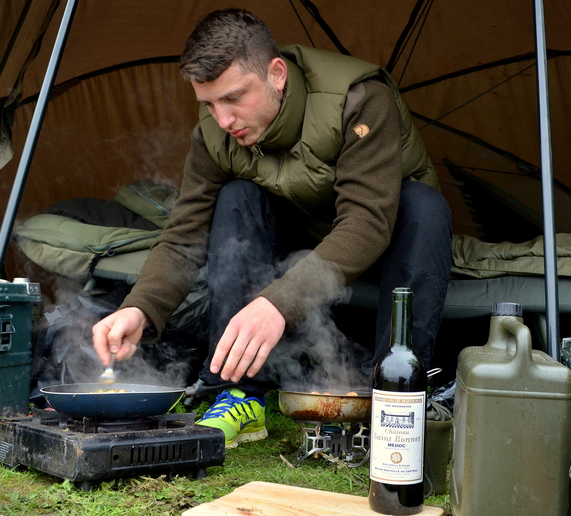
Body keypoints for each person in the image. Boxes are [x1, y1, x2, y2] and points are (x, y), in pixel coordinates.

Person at [92, 9, 452, 449]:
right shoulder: (214, 134)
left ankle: (395, 402)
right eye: (209, 104)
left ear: (277, 74)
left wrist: (277, 304)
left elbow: (367, 223)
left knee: (425, 206)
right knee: (237, 196)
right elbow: (185, 234)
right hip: (297, 252)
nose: (223, 119)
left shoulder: (360, 99)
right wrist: (141, 308)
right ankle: (239, 394)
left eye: (234, 98)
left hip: (389, 242)